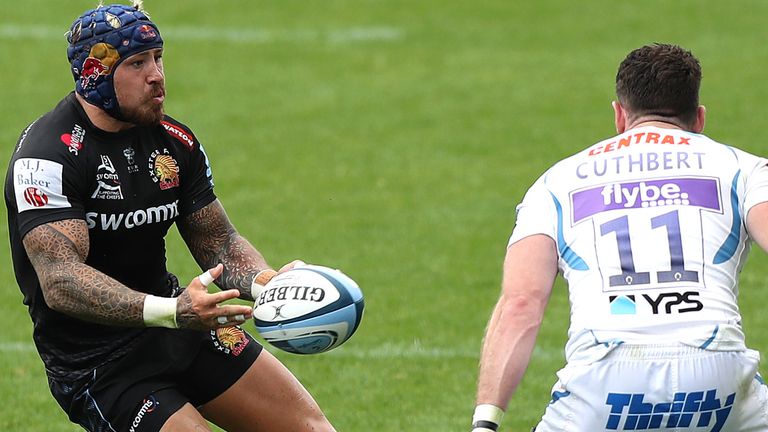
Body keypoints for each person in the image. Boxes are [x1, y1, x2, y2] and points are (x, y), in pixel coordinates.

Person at [4, 2, 336, 431]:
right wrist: (171, 310)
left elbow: (217, 241)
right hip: (101, 366)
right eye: (138, 63)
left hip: (182, 329)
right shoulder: (47, 157)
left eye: (158, 58)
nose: (157, 75)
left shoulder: (173, 141)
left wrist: (266, 283)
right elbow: (61, 280)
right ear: (96, 74)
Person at [470, 43, 768, 431]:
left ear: (619, 115)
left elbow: (521, 304)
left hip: (604, 380)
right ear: (699, 118)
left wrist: (485, 422)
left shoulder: (556, 181)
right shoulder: (743, 169)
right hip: (717, 373)